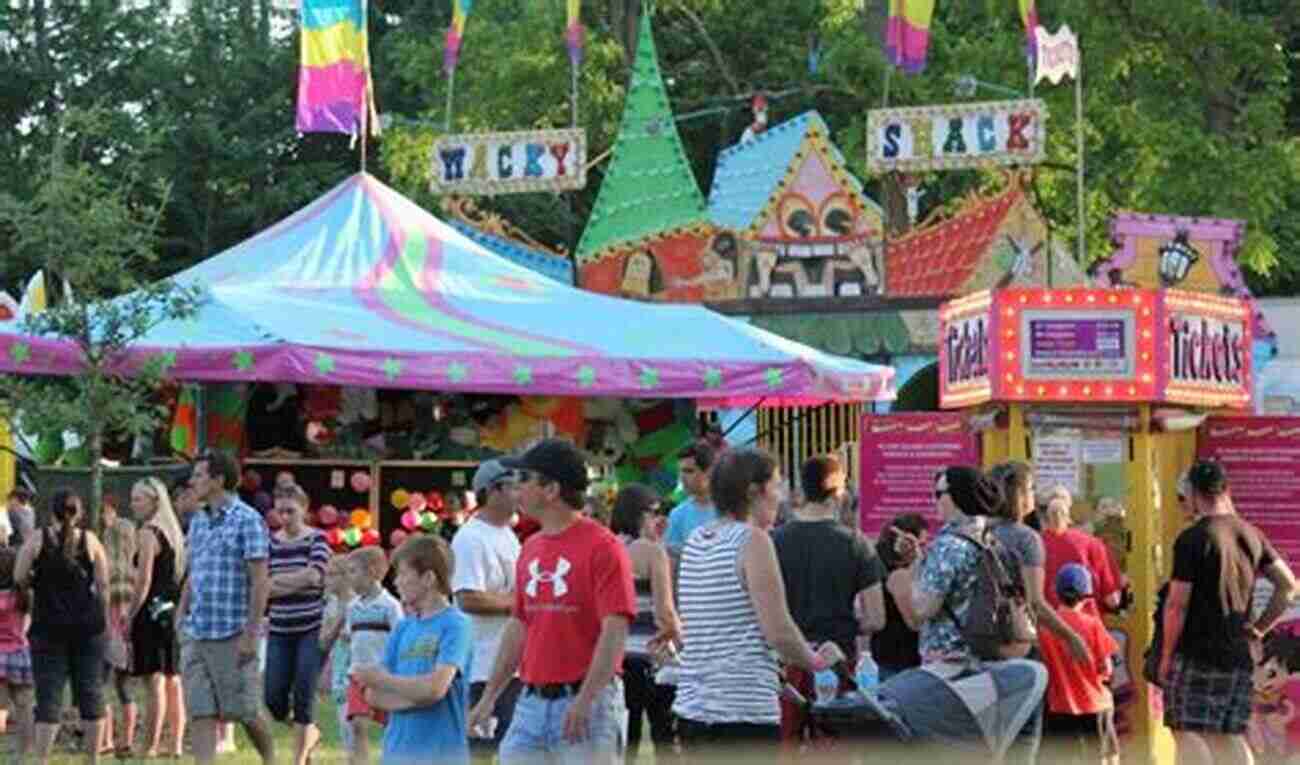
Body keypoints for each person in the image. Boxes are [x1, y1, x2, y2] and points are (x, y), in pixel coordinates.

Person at [468, 438, 637, 765]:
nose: (517, 489)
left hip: (587, 702)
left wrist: (586, 700)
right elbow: (519, 626)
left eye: (525, 479)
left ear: (551, 489)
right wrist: (489, 696)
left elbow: (614, 632)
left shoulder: (604, 547)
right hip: (530, 703)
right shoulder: (530, 547)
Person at [673, 448, 843, 756]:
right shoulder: (753, 540)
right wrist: (817, 661)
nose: (782, 497)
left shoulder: (697, 540)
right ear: (754, 491)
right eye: (777, 486)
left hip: (693, 708)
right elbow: (777, 630)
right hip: (741, 711)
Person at [875, 467, 1048, 762]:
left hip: (949, 673)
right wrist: (920, 559)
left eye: (940, 493)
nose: (935, 501)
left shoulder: (949, 547)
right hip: (987, 664)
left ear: (957, 498)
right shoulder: (988, 539)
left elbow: (920, 613)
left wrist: (905, 579)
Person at [1158, 460, 1298, 765]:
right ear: (1226, 490)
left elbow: (1176, 605)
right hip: (1238, 656)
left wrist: (1167, 656)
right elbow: (1288, 586)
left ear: (1194, 494)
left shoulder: (1193, 539)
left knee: (1186, 729)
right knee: (1226, 734)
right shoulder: (1252, 535)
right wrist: (1259, 629)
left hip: (1196, 654)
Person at [772, 454, 885, 747]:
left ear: (801, 490)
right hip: (836, 660)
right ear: (839, 491)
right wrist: (851, 622)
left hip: (784, 663)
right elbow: (877, 618)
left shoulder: (773, 541)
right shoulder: (856, 543)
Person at [177, 449, 275, 765]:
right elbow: (195, 571)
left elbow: (260, 581)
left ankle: (271, 758)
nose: (192, 482)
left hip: (232, 631)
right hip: (197, 630)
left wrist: (250, 633)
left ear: (219, 480)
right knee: (200, 708)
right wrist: (182, 613)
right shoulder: (198, 522)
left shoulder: (248, 520)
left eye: (199, 475)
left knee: (244, 710)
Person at [354, 534, 473, 765]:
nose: (396, 582)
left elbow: (435, 689)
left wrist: (382, 679)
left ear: (428, 578)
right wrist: (417, 698)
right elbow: (373, 696)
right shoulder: (403, 628)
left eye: (403, 574)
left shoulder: (456, 624)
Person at [15, 488, 111, 765]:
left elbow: (20, 576)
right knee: (91, 692)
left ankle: (42, 759)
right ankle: (92, 759)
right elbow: (104, 585)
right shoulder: (90, 540)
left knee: (48, 696)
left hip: (48, 628)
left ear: (50, 511)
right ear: (79, 512)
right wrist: (104, 621)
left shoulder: (38, 539)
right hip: (88, 629)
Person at [452, 459, 523, 755]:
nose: (521, 492)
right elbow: (468, 598)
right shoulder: (470, 538)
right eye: (514, 486)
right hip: (483, 666)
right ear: (492, 491)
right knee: (482, 751)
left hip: (511, 663)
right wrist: (520, 604)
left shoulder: (507, 535)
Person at [609, 483, 681, 761]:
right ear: (640, 515)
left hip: (614, 656)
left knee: (627, 740)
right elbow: (664, 611)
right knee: (665, 740)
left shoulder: (607, 546)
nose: (660, 520)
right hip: (652, 655)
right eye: (655, 513)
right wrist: (683, 641)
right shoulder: (652, 552)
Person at [265, 483, 331, 765]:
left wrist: (279, 583)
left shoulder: (317, 539)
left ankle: (299, 758)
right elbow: (263, 586)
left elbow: (316, 577)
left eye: (291, 511)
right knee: (273, 698)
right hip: (279, 629)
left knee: (304, 694)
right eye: (280, 512)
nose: (285, 517)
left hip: (310, 627)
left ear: (304, 509)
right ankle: (310, 733)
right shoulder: (270, 542)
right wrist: (297, 579)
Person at [124, 478, 188, 758]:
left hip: (152, 610)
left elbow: (143, 579)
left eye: (138, 498)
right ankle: (174, 744)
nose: (133, 504)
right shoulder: (173, 532)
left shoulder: (149, 533)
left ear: (154, 501)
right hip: (171, 609)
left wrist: (130, 613)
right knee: (173, 679)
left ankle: (148, 745)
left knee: (154, 681)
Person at [1039, 564, 1120, 765]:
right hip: (1095, 705)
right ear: (1087, 596)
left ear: (1055, 592)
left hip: (1058, 707)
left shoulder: (1045, 627)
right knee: (1105, 758)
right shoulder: (1092, 625)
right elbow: (1107, 669)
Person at [344, 546, 404, 765]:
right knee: (358, 725)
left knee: (393, 727)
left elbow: (399, 640)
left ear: (372, 572)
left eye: (353, 572)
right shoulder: (352, 607)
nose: (348, 578)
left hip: (384, 678)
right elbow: (353, 639)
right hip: (357, 675)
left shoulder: (390, 606)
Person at [98, 493, 136, 757]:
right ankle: (127, 738)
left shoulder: (103, 568)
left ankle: (105, 738)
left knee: (99, 685)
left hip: (106, 629)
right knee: (124, 688)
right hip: (128, 632)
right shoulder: (136, 573)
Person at [1039, 495, 1122, 613]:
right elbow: (1113, 600)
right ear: (1069, 517)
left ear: (1045, 519)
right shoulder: (1093, 544)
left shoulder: (1034, 544)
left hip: (1047, 623)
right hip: (1085, 623)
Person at [872, 513, 930, 680]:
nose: (924, 550)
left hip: (892, 660)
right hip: (898, 664)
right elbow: (914, 622)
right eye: (922, 544)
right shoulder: (899, 575)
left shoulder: (882, 567)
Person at [0, 545, 34, 761]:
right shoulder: (24, 595)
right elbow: (28, 623)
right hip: (21, 653)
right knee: (25, 707)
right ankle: (26, 751)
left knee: (0, 706)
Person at [319, 555, 356, 758]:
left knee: (357, 724)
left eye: (331, 575)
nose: (327, 580)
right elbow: (323, 641)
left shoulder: (358, 603)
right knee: (345, 724)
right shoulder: (331, 605)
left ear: (345, 577)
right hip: (339, 669)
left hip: (359, 670)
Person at [663, 443, 716, 561]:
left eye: (688, 471)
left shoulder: (733, 507)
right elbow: (672, 562)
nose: (682, 477)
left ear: (709, 472)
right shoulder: (677, 515)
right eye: (680, 471)